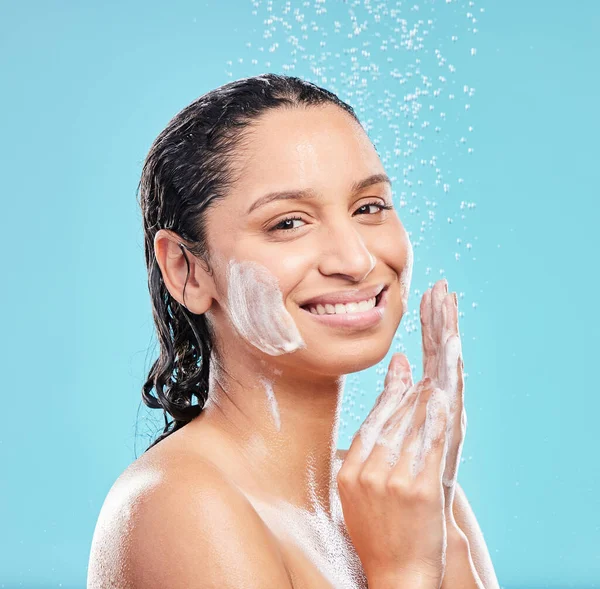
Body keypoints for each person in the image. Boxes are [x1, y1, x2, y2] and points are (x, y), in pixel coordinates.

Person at [87, 73, 499, 589]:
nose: (356, 259)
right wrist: (406, 570)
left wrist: (440, 512)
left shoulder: (403, 498)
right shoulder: (179, 503)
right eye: (289, 223)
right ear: (186, 270)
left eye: (369, 208)